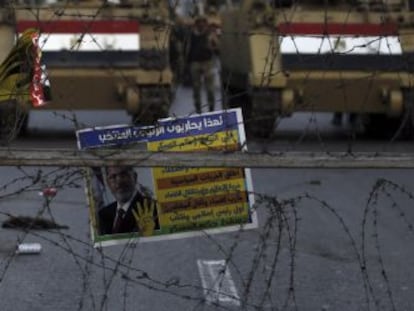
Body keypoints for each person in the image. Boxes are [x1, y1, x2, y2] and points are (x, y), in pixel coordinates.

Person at [98, 166, 159, 236]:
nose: (119, 181)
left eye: (124, 174)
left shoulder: (154, 208)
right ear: (108, 183)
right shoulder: (103, 214)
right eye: (113, 177)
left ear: (135, 177)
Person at [186, 15, 219, 113]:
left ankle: (211, 109)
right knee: (196, 89)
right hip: (195, 63)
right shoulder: (191, 34)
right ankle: (198, 110)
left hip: (207, 63)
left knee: (210, 89)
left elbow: (217, 47)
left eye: (203, 22)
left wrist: (212, 43)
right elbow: (187, 48)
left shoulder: (209, 34)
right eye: (199, 22)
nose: (201, 24)